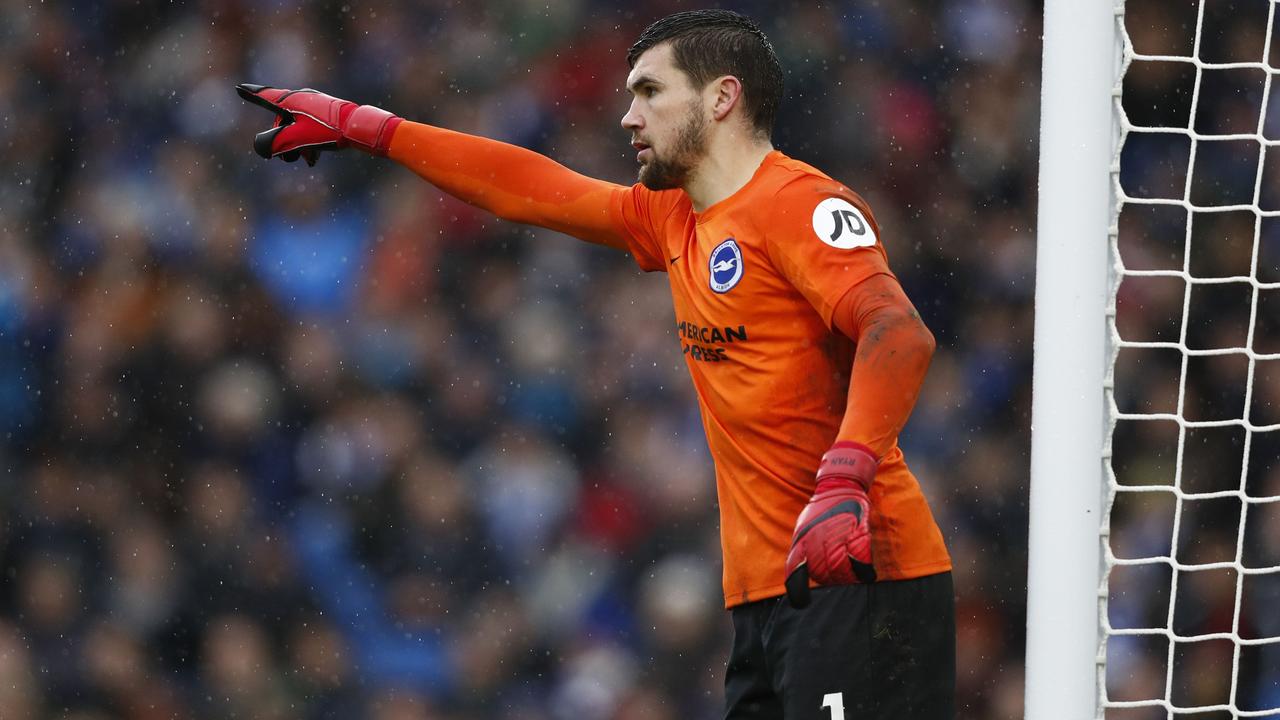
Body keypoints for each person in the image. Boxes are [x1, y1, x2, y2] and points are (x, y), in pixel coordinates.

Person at [238, 9, 955, 719]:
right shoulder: (674, 218)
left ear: (721, 98)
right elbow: (530, 188)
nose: (627, 117)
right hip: (767, 593)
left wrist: (845, 477)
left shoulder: (798, 203)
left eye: (649, 92)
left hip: (862, 574)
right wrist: (370, 127)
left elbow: (897, 330)